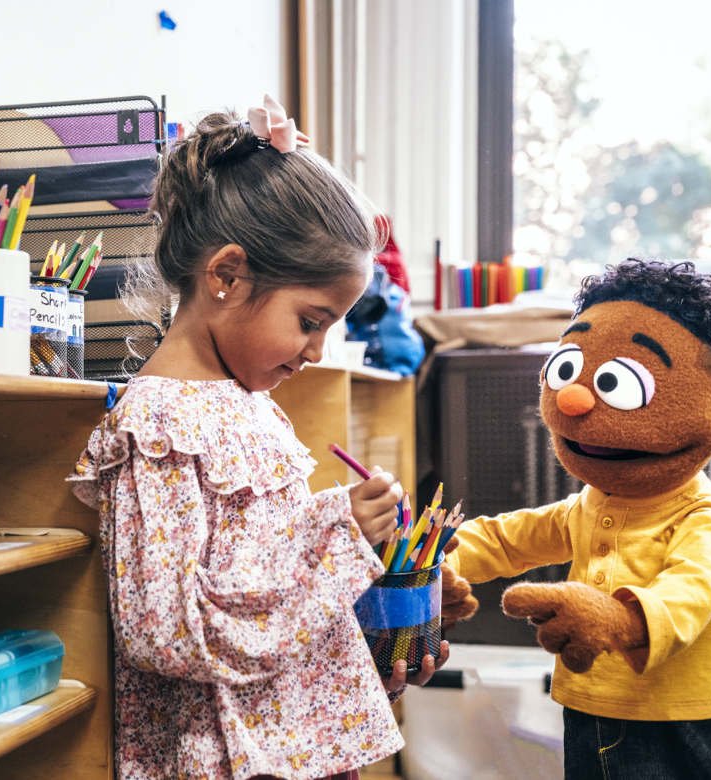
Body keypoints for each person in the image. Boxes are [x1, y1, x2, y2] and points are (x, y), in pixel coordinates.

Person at [69, 97, 448, 780]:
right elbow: (169, 633)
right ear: (226, 275)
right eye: (310, 320)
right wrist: (336, 538)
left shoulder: (250, 406)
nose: (317, 350)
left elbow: (267, 590)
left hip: (293, 751)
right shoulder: (159, 428)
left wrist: (370, 633)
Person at [442, 259, 711, 779]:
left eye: (619, 384)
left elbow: (694, 590)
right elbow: (510, 538)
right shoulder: (589, 503)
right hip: (591, 701)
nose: (574, 400)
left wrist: (621, 619)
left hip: (679, 710)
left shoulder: (699, 514)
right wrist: (436, 561)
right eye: (567, 370)